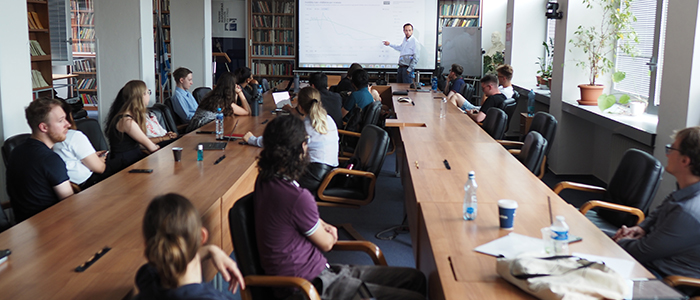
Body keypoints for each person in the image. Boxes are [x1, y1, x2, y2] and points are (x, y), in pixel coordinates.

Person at [253, 115, 426, 300]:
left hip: (323, 272)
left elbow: (295, 217)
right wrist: (327, 231)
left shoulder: (264, 180)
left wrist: (321, 225)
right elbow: (327, 243)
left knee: (415, 279)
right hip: (310, 288)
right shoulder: (297, 198)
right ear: (300, 148)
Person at [613, 127, 700, 284]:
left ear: (685, 160)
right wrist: (642, 228)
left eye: (671, 149)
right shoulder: (689, 190)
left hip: (665, 279)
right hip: (653, 261)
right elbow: (662, 208)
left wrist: (620, 240)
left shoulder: (687, 213)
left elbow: (642, 252)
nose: (667, 154)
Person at [134, 193, 245, 300]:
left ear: (149, 247)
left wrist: (210, 250)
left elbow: (153, 268)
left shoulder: (147, 281)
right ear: (203, 236)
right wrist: (212, 250)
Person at [244, 87, 339, 195]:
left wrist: (252, 139)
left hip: (313, 177)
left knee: (275, 171)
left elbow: (276, 141)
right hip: (330, 174)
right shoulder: (328, 119)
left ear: (301, 108)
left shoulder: (304, 127)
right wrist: (292, 110)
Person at [7, 97, 73, 223]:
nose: (68, 124)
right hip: (51, 228)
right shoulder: (50, 159)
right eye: (61, 121)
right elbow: (69, 203)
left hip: (23, 228)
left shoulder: (16, 151)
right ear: (44, 127)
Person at [105, 80, 160, 174]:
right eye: (148, 92)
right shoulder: (127, 121)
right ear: (141, 96)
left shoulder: (127, 118)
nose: (149, 95)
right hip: (125, 165)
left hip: (132, 160)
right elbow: (151, 147)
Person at [53, 100, 107, 190]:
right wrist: (99, 160)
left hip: (73, 185)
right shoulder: (73, 135)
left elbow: (69, 160)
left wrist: (90, 157)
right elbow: (100, 168)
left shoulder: (48, 143)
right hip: (87, 185)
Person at [187, 72, 251, 132]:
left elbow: (234, 109)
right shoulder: (222, 102)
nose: (236, 85)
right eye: (235, 83)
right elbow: (247, 112)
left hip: (195, 127)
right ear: (231, 86)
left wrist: (236, 94)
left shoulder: (213, 96)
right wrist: (240, 93)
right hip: (202, 129)